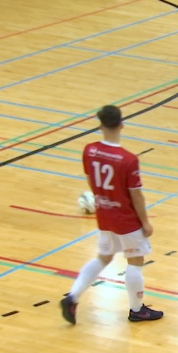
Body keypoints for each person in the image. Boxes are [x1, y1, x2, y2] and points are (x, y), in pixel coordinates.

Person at [59, 105, 163, 324]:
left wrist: (101, 200)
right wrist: (145, 221)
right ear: (122, 124)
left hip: (104, 216)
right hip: (126, 219)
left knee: (104, 257)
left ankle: (73, 296)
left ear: (100, 125)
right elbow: (136, 195)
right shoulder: (128, 159)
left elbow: (91, 179)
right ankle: (137, 310)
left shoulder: (89, 150)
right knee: (135, 260)